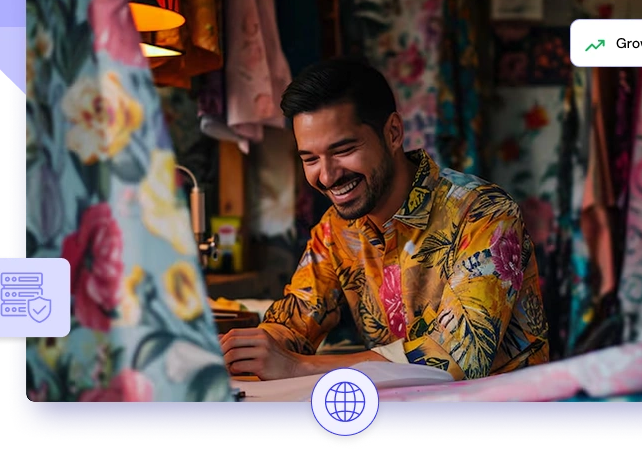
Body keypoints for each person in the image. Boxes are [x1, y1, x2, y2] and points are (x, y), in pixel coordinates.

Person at [219, 58, 549, 381]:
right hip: (401, 407)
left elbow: (456, 358)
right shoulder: (335, 229)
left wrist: (297, 367)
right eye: (311, 159)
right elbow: (295, 323)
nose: (327, 176)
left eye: (343, 150)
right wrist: (244, 351)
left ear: (392, 133)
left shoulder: (485, 213)